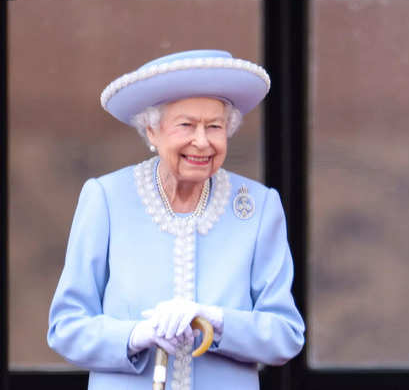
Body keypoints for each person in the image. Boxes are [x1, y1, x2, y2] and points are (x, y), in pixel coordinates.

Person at [48, 50, 305, 389]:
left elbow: (286, 335)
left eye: (214, 126)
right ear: (152, 131)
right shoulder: (107, 198)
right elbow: (65, 328)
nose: (202, 141)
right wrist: (135, 335)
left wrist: (216, 322)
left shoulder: (258, 206)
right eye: (186, 125)